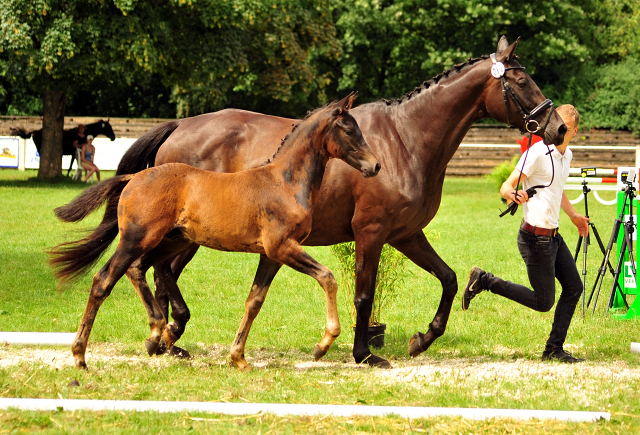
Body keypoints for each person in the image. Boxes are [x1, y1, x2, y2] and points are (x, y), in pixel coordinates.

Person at [462, 104, 588, 363]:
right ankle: (484, 280)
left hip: (553, 236)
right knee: (544, 302)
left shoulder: (567, 155)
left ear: (573, 131)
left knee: (574, 287)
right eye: (554, 124)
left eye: (563, 127)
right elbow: (506, 185)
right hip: (535, 239)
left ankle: (554, 349)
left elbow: (557, 189)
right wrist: (512, 194)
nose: (556, 130)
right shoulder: (538, 153)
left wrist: (574, 216)